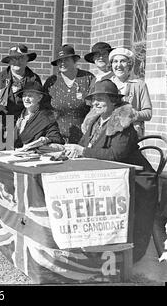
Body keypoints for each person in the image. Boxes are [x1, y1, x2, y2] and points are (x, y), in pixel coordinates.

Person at [64, 79, 157, 262]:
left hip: (137, 180)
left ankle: (129, 259)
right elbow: (84, 145)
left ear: (113, 100)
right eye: (93, 99)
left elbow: (116, 155)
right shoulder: (95, 121)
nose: (95, 103)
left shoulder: (122, 122)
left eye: (101, 99)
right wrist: (70, 150)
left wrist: (83, 151)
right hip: (112, 179)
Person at [44, 44, 95, 144]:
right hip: (56, 138)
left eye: (66, 59)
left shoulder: (87, 78)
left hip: (83, 137)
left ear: (74, 60)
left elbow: (95, 108)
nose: (62, 63)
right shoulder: (51, 82)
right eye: (60, 60)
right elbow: (44, 110)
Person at [0, 44, 42, 123]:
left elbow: (39, 105)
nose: (17, 62)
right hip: (0, 122)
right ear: (9, 61)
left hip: (25, 123)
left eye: (21, 58)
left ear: (27, 59)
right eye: (14, 59)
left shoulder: (34, 79)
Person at [109, 47, 152, 138]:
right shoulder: (106, 84)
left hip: (131, 134)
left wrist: (132, 115)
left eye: (123, 61)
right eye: (115, 61)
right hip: (108, 133)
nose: (118, 65)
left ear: (130, 64)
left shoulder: (139, 85)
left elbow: (148, 113)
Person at [14, 81, 64, 149]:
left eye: (30, 96)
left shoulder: (47, 118)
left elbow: (56, 137)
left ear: (40, 98)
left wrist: (45, 140)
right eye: (24, 95)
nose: (26, 99)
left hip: (33, 156)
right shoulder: (17, 114)